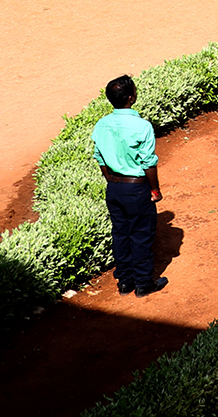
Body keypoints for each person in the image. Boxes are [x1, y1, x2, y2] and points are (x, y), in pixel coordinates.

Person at [92, 74, 168, 297]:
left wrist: (112, 181)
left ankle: (125, 282)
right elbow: (148, 163)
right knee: (141, 235)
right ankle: (144, 284)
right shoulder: (142, 126)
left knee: (120, 233)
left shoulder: (102, 124)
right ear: (131, 97)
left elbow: (100, 158)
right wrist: (155, 190)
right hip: (136, 188)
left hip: (114, 187)